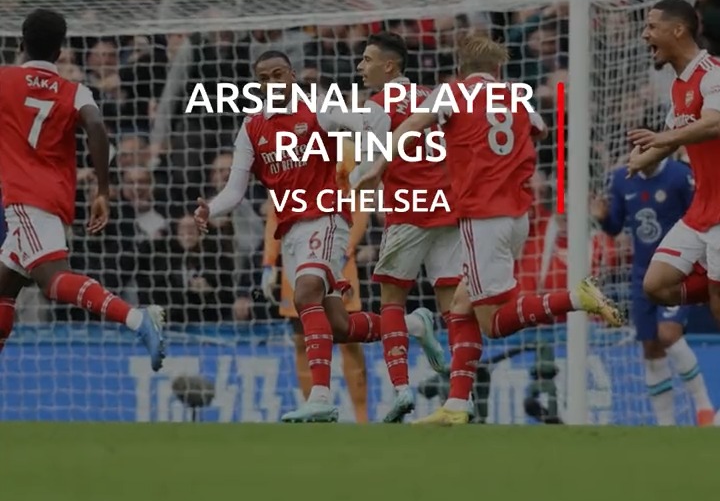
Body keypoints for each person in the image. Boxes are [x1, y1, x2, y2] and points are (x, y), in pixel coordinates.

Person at [356, 33, 623, 425]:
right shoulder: (517, 96)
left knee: (493, 322)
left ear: (461, 68)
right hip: (518, 217)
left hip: (482, 219)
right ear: (498, 69)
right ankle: (457, 404)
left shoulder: (452, 92)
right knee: (460, 306)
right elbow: (540, 129)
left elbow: (412, 123)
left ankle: (575, 297)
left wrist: (379, 166)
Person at [193, 50, 444, 423]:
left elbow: (369, 121)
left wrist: (376, 159)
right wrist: (209, 210)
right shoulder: (251, 128)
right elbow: (234, 190)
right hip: (291, 232)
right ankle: (414, 325)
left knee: (306, 291)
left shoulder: (319, 109)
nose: (273, 82)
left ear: (292, 76)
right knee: (339, 327)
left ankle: (321, 397)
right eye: (264, 78)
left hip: (326, 219)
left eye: (279, 73)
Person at [0, 9, 165, 369]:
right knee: (3, 289)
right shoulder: (76, 92)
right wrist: (103, 190)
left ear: (21, 44)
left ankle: (137, 318)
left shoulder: (4, 79)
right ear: (59, 52)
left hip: (25, 199)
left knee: (53, 281)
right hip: (56, 200)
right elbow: (96, 125)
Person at [326, 32, 459, 423]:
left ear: (389, 65)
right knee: (452, 306)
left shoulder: (379, 105)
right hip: (448, 208)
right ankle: (459, 397)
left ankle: (401, 390)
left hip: (409, 212)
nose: (360, 67)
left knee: (392, 302)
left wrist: (346, 186)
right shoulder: (432, 96)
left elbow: (370, 166)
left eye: (367, 60)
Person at [592, 154, 714, 425]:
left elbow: (698, 217)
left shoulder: (679, 176)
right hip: (641, 274)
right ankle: (665, 424)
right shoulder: (622, 179)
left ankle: (704, 407)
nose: (639, 154)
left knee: (668, 334)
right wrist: (603, 218)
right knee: (651, 347)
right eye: (635, 148)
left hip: (676, 271)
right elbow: (615, 225)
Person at [628, 0, 720, 326]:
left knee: (718, 306)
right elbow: (670, 137)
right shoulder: (680, 85)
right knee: (657, 285)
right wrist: (639, 161)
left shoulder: (713, 74)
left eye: (652, 27)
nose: (645, 34)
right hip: (702, 210)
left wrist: (662, 140)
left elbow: (714, 123)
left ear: (678, 30)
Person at [263, 202, 370, 423]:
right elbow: (276, 213)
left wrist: (346, 248)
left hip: (336, 256)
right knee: (301, 338)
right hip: (295, 259)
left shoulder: (339, 177)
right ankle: (312, 412)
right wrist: (269, 260)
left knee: (347, 336)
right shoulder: (283, 179)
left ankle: (362, 418)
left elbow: (360, 204)